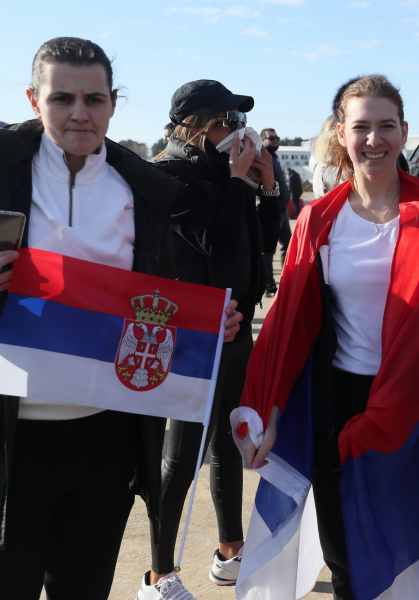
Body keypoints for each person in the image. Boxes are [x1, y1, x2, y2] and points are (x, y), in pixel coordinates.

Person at [0, 37, 242, 600]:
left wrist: (207, 325)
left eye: (95, 98)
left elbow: (154, 300)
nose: (80, 113)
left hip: (104, 441)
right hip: (1, 437)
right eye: (62, 98)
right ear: (34, 100)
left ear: (113, 104)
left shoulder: (144, 190)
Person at [235, 74, 419, 600]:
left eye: (386, 127)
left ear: (404, 133)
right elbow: (292, 322)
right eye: (361, 127)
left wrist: (388, 415)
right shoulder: (319, 219)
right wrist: (267, 408)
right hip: (341, 411)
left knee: (416, 555)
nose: (373, 140)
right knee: (349, 562)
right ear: (341, 134)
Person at [141, 79, 279, 598]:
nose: (235, 131)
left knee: (227, 441)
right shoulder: (166, 175)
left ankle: (230, 550)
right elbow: (214, 244)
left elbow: (259, 244)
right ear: (194, 125)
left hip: (235, 324)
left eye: (238, 121)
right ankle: (158, 573)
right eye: (225, 121)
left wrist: (265, 186)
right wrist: (238, 180)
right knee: (182, 454)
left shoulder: (226, 173)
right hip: (190, 334)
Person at [260, 127, 291, 297]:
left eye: (277, 137)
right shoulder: (260, 158)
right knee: (268, 251)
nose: (275, 140)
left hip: (283, 211)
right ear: (262, 140)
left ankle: (288, 281)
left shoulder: (274, 159)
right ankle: (269, 286)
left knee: (288, 246)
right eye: (271, 138)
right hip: (270, 212)